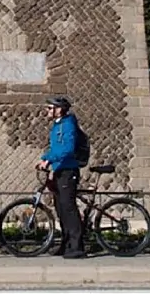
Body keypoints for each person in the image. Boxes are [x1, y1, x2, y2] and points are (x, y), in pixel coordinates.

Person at [36, 95, 85, 259]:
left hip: (68, 171)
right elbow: (56, 148)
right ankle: (66, 244)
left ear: (59, 110)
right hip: (59, 170)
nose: (47, 110)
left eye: (50, 108)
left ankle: (77, 247)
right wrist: (45, 159)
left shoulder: (68, 124)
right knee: (60, 208)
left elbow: (67, 149)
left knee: (69, 208)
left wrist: (49, 159)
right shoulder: (57, 125)